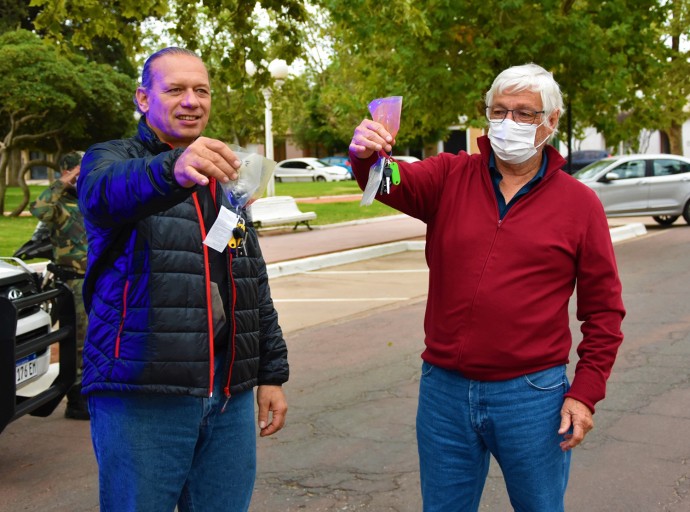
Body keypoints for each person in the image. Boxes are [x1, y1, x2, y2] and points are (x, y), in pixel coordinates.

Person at [348, 63, 625, 511]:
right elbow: (392, 182)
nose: (508, 123)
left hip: (531, 397)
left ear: (551, 122)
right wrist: (367, 156)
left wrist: (585, 393)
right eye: (499, 111)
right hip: (444, 393)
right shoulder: (449, 175)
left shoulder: (580, 205)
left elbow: (604, 312)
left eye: (524, 114)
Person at [77, 47, 289, 512]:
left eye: (201, 90)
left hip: (227, 398)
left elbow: (249, 275)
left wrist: (270, 374)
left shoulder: (223, 180)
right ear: (142, 98)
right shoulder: (111, 160)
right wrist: (172, 169)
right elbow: (105, 193)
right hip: (142, 395)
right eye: (175, 89)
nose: (191, 100)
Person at [30, 151, 90, 420]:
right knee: (79, 341)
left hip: (99, 281)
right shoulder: (58, 206)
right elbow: (38, 209)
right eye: (77, 172)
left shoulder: (91, 200)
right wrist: (62, 182)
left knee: (97, 339)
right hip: (73, 283)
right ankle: (76, 400)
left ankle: (92, 391)